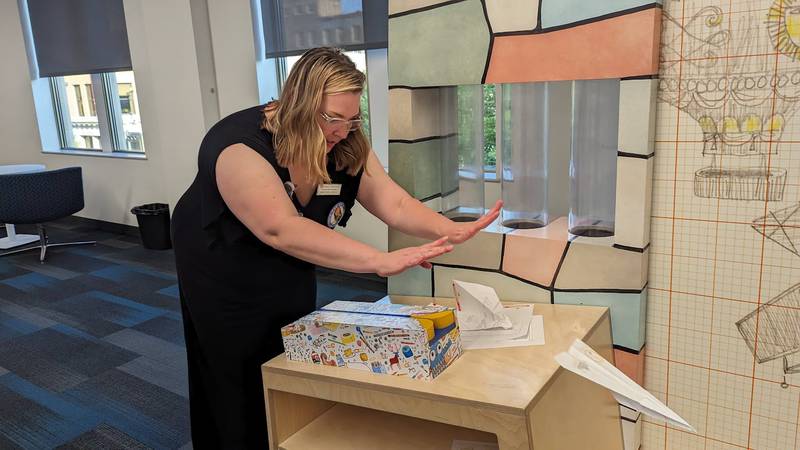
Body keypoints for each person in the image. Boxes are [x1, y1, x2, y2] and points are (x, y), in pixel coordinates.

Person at [171, 47, 502, 448]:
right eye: (332, 119)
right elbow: (282, 230)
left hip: (290, 253)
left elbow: (393, 203)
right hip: (222, 258)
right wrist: (377, 261)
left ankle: (286, 433)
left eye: (352, 119)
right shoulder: (238, 147)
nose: (342, 132)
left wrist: (447, 229)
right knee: (235, 365)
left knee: (292, 337)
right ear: (297, 104)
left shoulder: (344, 142)